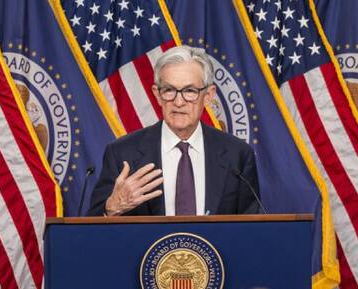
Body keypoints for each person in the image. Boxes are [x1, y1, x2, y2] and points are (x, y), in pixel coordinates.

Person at [87, 45, 262, 217]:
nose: (179, 102)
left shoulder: (237, 155)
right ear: (157, 94)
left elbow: (252, 227)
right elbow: (91, 225)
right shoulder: (122, 153)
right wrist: (111, 208)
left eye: (190, 91)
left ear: (208, 95)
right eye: (169, 90)